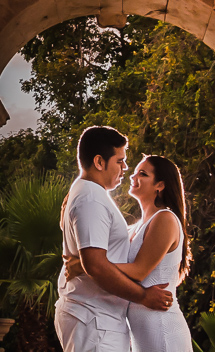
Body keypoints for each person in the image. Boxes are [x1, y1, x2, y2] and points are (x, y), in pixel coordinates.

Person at [56, 126, 173, 352]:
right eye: (120, 161)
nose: (125, 168)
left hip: (97, 319)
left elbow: (97, 259)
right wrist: (143, 297)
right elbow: (96, 266)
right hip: (95, 320)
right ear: (99, 162)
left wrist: (82, 264)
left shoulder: (90, 194)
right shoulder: (91, 198)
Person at [66, 154, 194, 352]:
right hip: (139, 331)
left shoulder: (165, 219)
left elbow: (138, 271)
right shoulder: (133, 229)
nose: (133, 177)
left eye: (142, 174)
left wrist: (84, 266)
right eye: (135, 172)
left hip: (161, 327)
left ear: (159, 185)